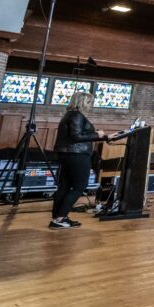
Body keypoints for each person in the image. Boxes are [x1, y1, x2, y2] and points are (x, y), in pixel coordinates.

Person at [50, 91, 107, 229]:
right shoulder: (77, 115)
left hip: (68, 154)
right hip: (76, 155)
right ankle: (60, 218)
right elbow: (76, 137)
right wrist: (97, 135)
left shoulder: (69, 115)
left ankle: (58, 218)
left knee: (65, 186)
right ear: (82, 102)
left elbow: (77, 134)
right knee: (79, 187)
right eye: (89, 103)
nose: (91, 106)